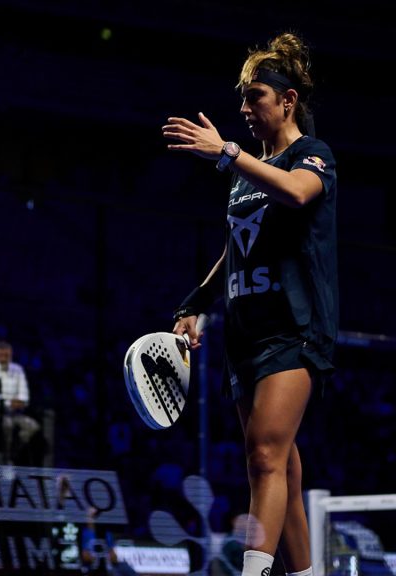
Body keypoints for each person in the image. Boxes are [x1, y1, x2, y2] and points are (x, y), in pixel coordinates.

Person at [163, 32, 336, 576]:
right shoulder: (242, 181)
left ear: (287, 100)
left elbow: (298, 192)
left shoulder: (311, 154)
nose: (243, 108)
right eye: (241, 96)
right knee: (279, 465)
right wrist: (196, 304)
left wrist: (228, 154)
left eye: (254, 95)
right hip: (244, 335)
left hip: (294, 329)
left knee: (264, 455)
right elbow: (234, 254)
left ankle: (253, 572)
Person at [0, 341, 40, 463]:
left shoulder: (17, 370)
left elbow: (24, 396)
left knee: (32, 426)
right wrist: (6, 403)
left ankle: (12, 453)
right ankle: (5, 459)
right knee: (7, 425)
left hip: (13, 413)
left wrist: (19, 402)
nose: (4, 359)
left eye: (7, 356)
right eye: (1, 356)